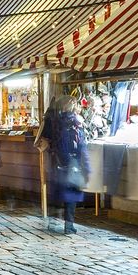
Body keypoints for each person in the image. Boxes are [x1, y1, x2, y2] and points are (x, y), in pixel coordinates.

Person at [51, 95, 89, 234]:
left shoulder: (55, 121)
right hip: (73, 162)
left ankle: (54, 221)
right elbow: (81, 146)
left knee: (61, 193)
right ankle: (69, 225)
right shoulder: (75, 122)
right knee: (71, 195)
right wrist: (87, 167)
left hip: (59, 162)